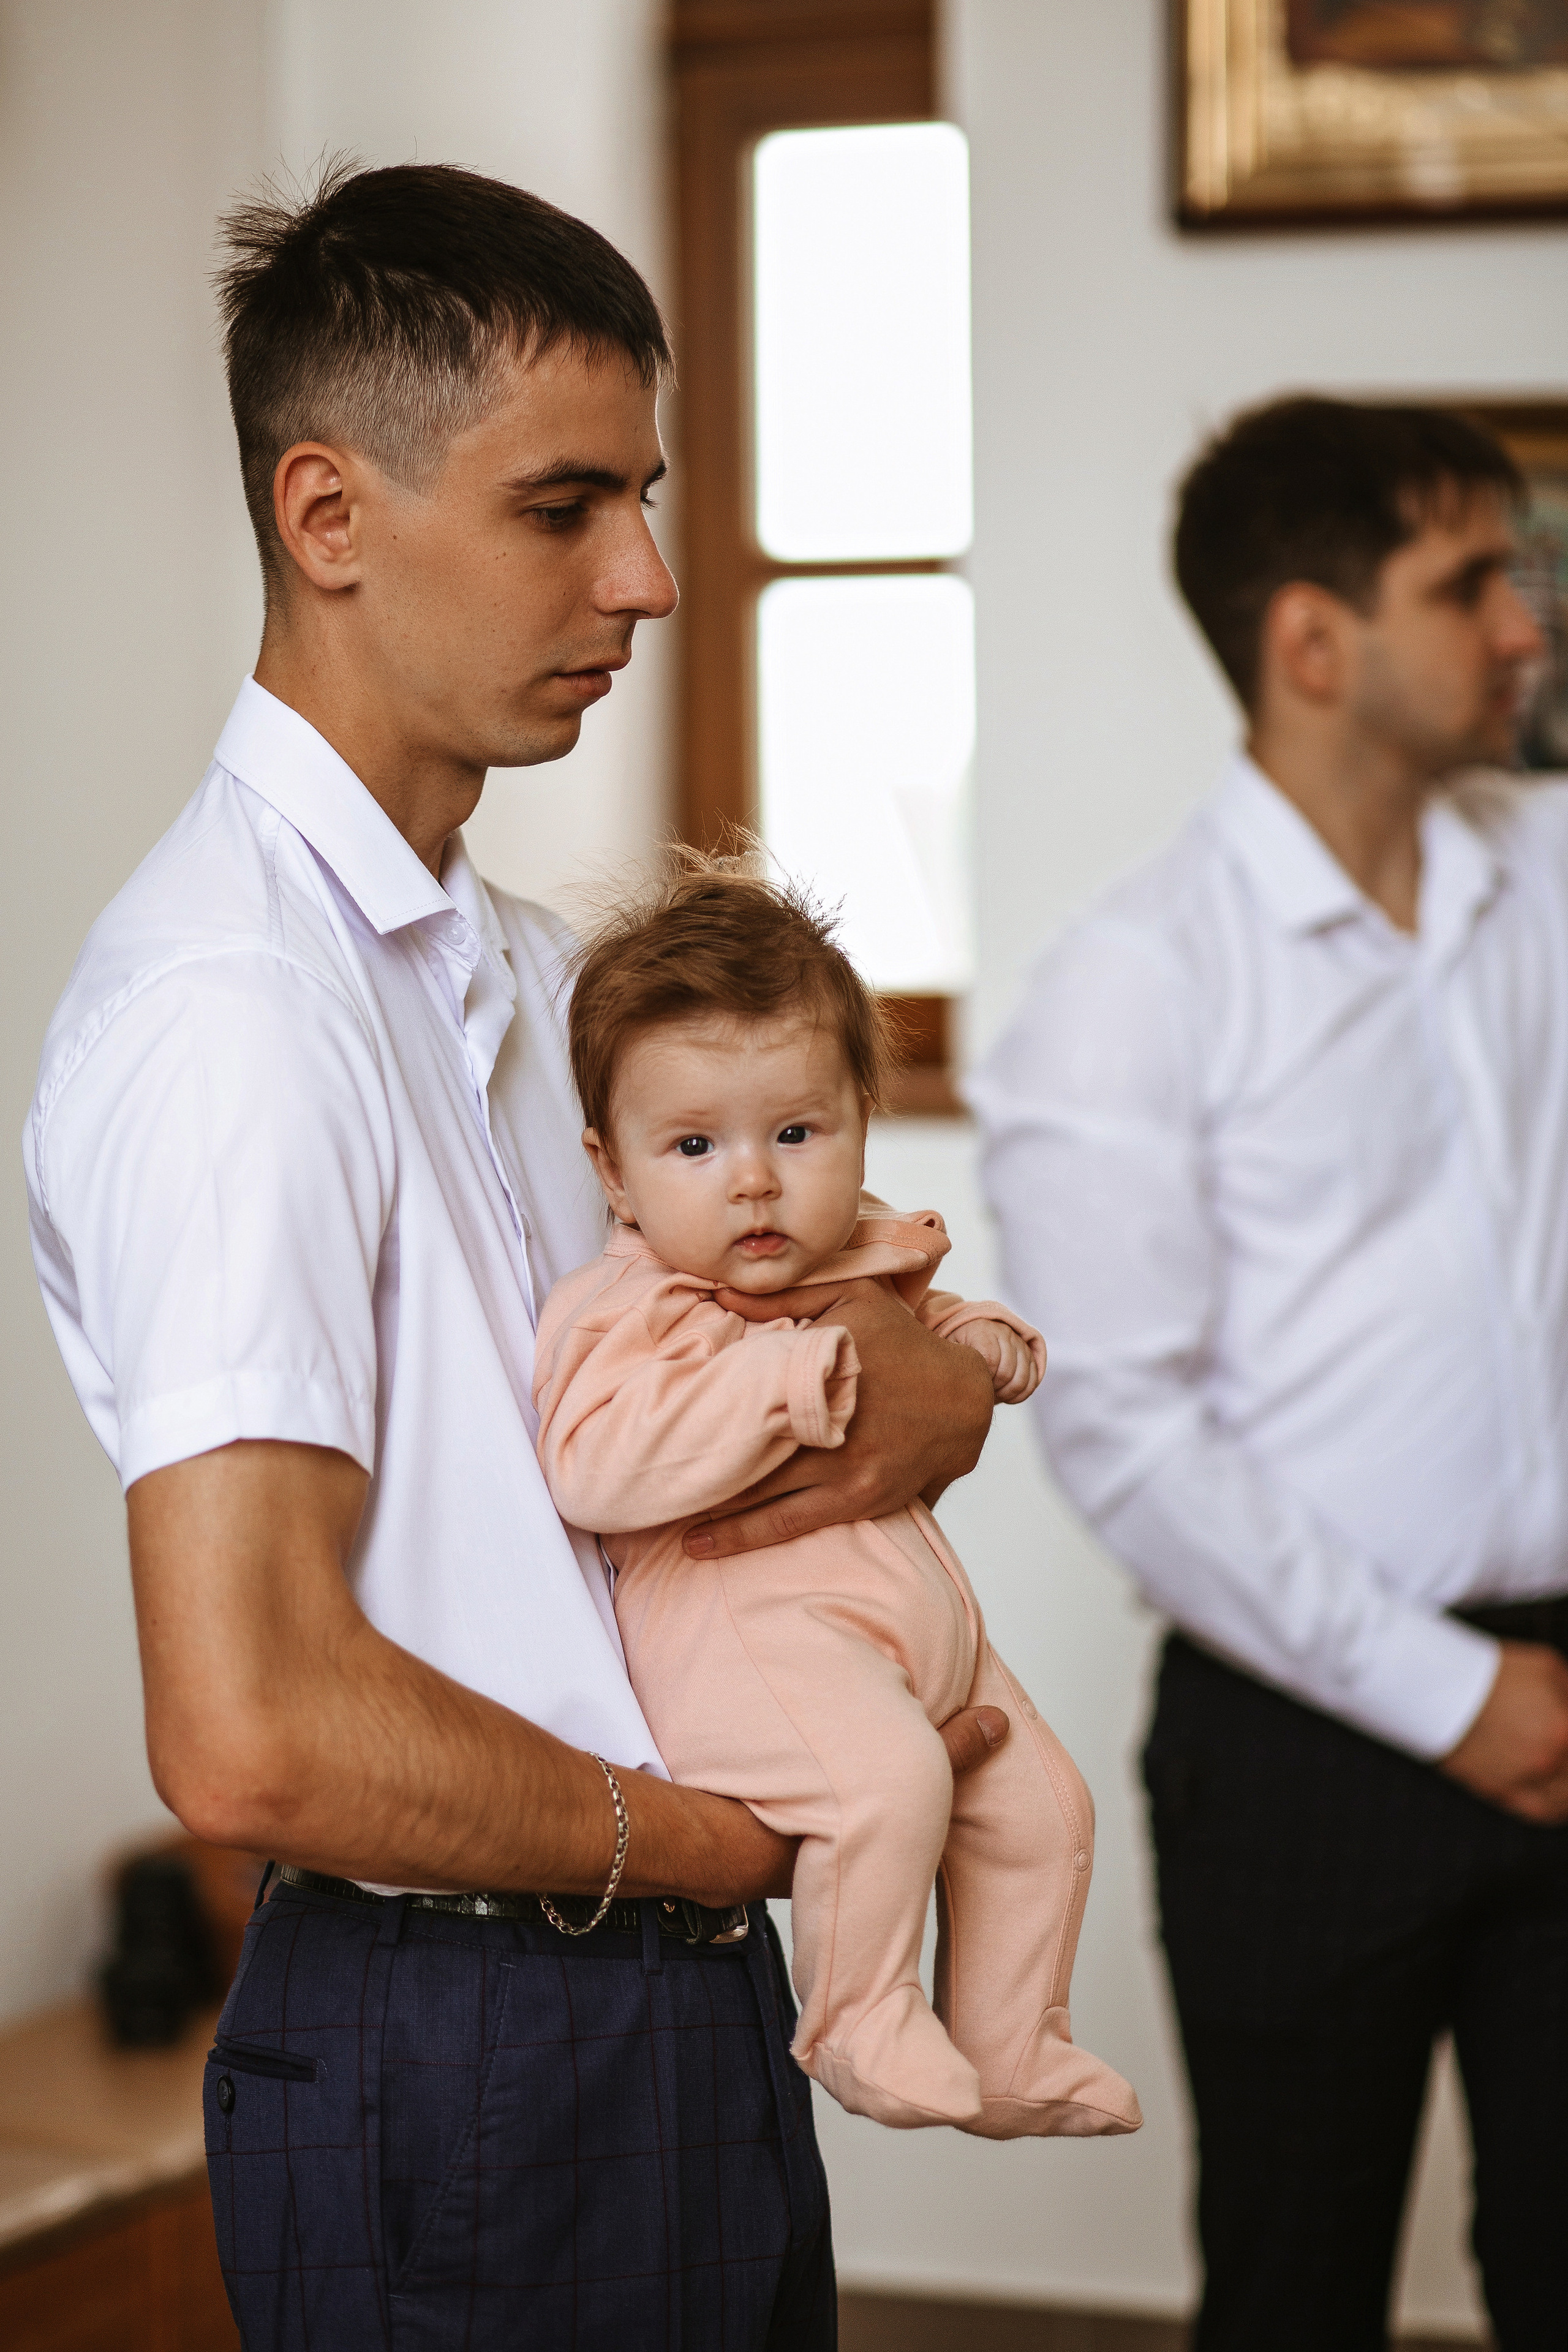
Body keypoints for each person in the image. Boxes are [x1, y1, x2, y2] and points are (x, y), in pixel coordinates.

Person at [23, 162, 1005, 2350]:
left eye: (646, 500)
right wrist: (720, 1850)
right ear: (329, 514)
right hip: (473, 2031)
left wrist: (934, 1380)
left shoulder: (537, 974)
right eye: (569, 506)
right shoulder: (229, 1014)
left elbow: (788, 1353)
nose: (648, 578)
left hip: (659, 1989)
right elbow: (253, 1730)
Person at [968, 398, 1568, 2352]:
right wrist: (1449, 1693)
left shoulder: (1549, 874)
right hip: (1303, 1740)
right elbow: (1128, 1433)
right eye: (1470, 582)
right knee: (1296, 2294)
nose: (1522, 625)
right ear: (1314, 641)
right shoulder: (1130, 983)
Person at [530, 859, 1142, 2141]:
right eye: (694, 1147)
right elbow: (594, 1465)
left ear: (862, 1119)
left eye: (793, 1135)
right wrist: (785, 1378)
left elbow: (926, 1336)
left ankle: (1013, 2040)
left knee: (1043, 1809)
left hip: (914, 1637)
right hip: (752, 1648)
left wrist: (975, 1346)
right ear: (614, 1170)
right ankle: (856, 2022)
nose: (751, 1181)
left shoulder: (862, 1255)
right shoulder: (630, 1310)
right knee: (885, 1795)